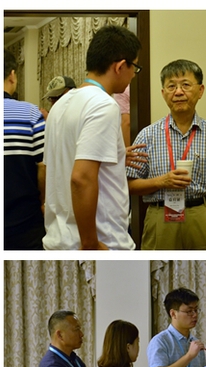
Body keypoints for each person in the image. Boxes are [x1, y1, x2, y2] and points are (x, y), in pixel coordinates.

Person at [43, 25, 140, 250]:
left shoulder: (60, 106)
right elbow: (81, 178)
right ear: (120, 66)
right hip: (100, 241)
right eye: (135, 67)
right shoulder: (104, 105)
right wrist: (91, 244)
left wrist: (115, 156)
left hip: (59, 240)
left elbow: (52, 166)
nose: (134, 75)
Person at [127, 59, 206, 249]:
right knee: (159, 268)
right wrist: (161, 182)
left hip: (203, 214)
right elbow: (129, 184)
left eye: (186, 85)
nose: (178, 92)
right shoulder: (147, 136)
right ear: (163, 93)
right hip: (161, 215)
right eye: (171, 86)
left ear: (200, 90)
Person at [4, 49, 46, 249]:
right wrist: (43, 201)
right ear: (12, 75)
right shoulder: (30, 113)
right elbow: (43, 166)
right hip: (25, 222)